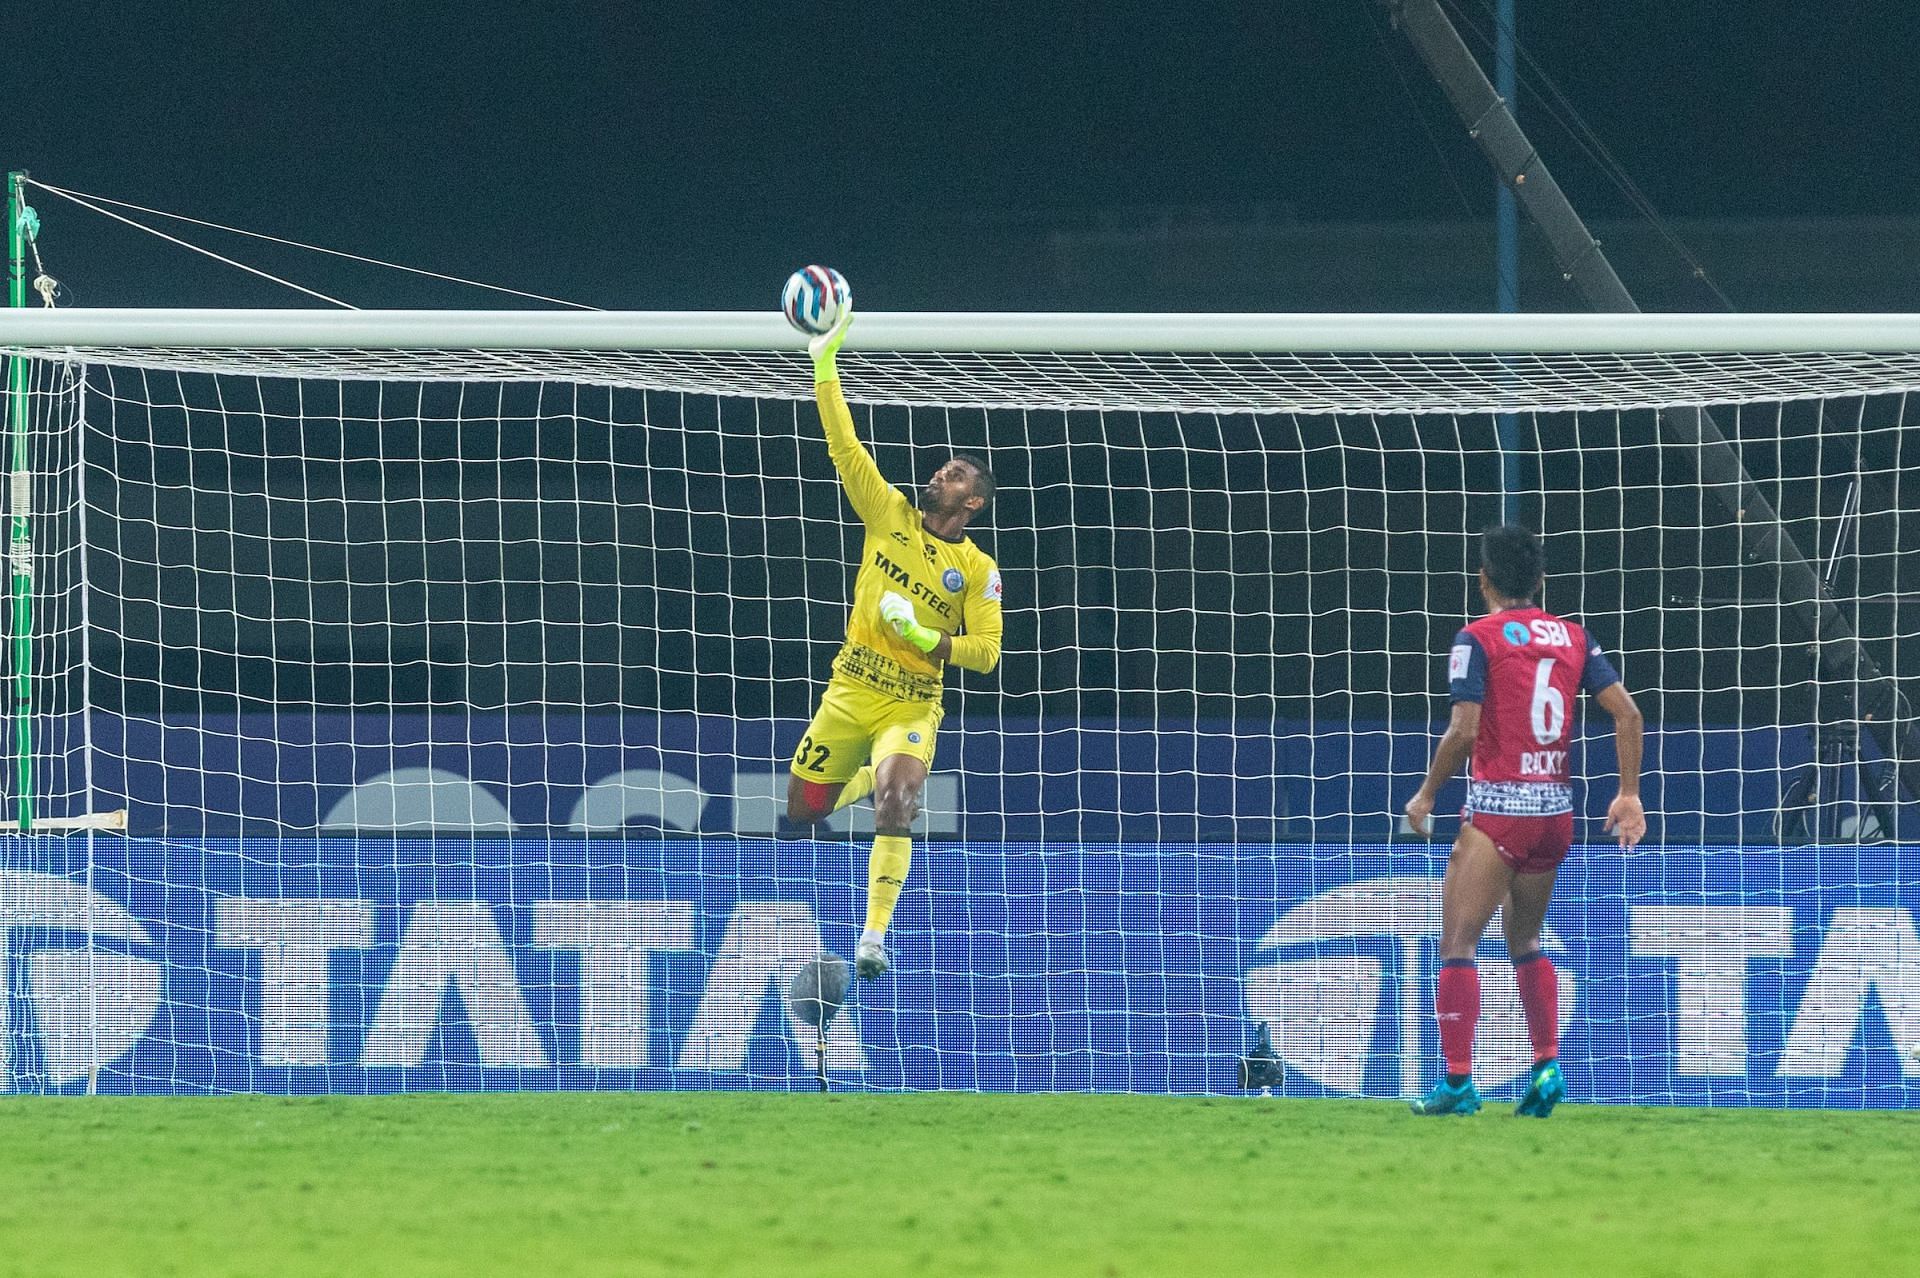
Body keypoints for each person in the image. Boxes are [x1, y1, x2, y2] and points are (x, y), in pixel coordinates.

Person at [785, 304, 1004, 980]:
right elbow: (844, 447)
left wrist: (928, 637)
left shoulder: (978, 571)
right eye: (944, 468)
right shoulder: (889, 513)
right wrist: (825, 366)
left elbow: (988, 653)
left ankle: (873, 938)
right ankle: (855, 784)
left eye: (958, 474)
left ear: (973, 504)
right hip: (851, 686)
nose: (942, 473)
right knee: (802, 811)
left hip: (913, 702)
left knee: (901, 798)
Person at [1402, 524, 1645, 1117]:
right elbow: (1628, 713)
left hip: (1499, 812)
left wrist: (1428, 796)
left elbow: (1463, 730)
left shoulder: (1477, 639)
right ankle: (1545, 1070)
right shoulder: (1573, 637)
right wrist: (1629, 794)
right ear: (1540, 581)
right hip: (1554, 813)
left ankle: (1458, 1082)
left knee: (1458, 941)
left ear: (1483, 580)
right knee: (1526, 939)